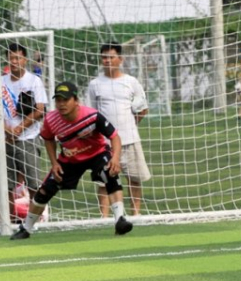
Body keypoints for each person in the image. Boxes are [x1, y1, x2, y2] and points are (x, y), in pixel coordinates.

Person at [11, 82, 133, 240]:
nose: (61, 104)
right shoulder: (51, 119)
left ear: (76, 100)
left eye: (65, 100)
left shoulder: (92, 116)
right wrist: (54, 163)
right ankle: (26, 228)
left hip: (96, 153)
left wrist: (115, 158)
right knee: (44, 191)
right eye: (58, 100)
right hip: (70, 159)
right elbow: (48, 139)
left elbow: (114, 137)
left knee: (109, 172)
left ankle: (120, 220)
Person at [87, 42, 151, 217]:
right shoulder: (95, 84)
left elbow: (143, 108)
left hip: (130, 139)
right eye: (104, 58)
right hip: (105, 142)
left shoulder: (131, 82)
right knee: (104, 181)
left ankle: (135, 214)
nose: (107, 61)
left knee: (134, 179)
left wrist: (130, 123)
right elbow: (91, 113)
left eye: (111, 57)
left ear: (120, 59)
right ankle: (105, 217)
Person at [0, 43, 48, 222]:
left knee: (33, 181)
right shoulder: (1, 81)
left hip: (28, 138)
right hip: (6, 139)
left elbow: (40, 110)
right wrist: (6, 131)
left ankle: (37, 217)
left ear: (24, 59)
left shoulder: (34, 81)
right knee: (6, 183)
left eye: (18, 58)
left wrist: (19, 129)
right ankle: (10, 218)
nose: (14, 62)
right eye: (11, 58)